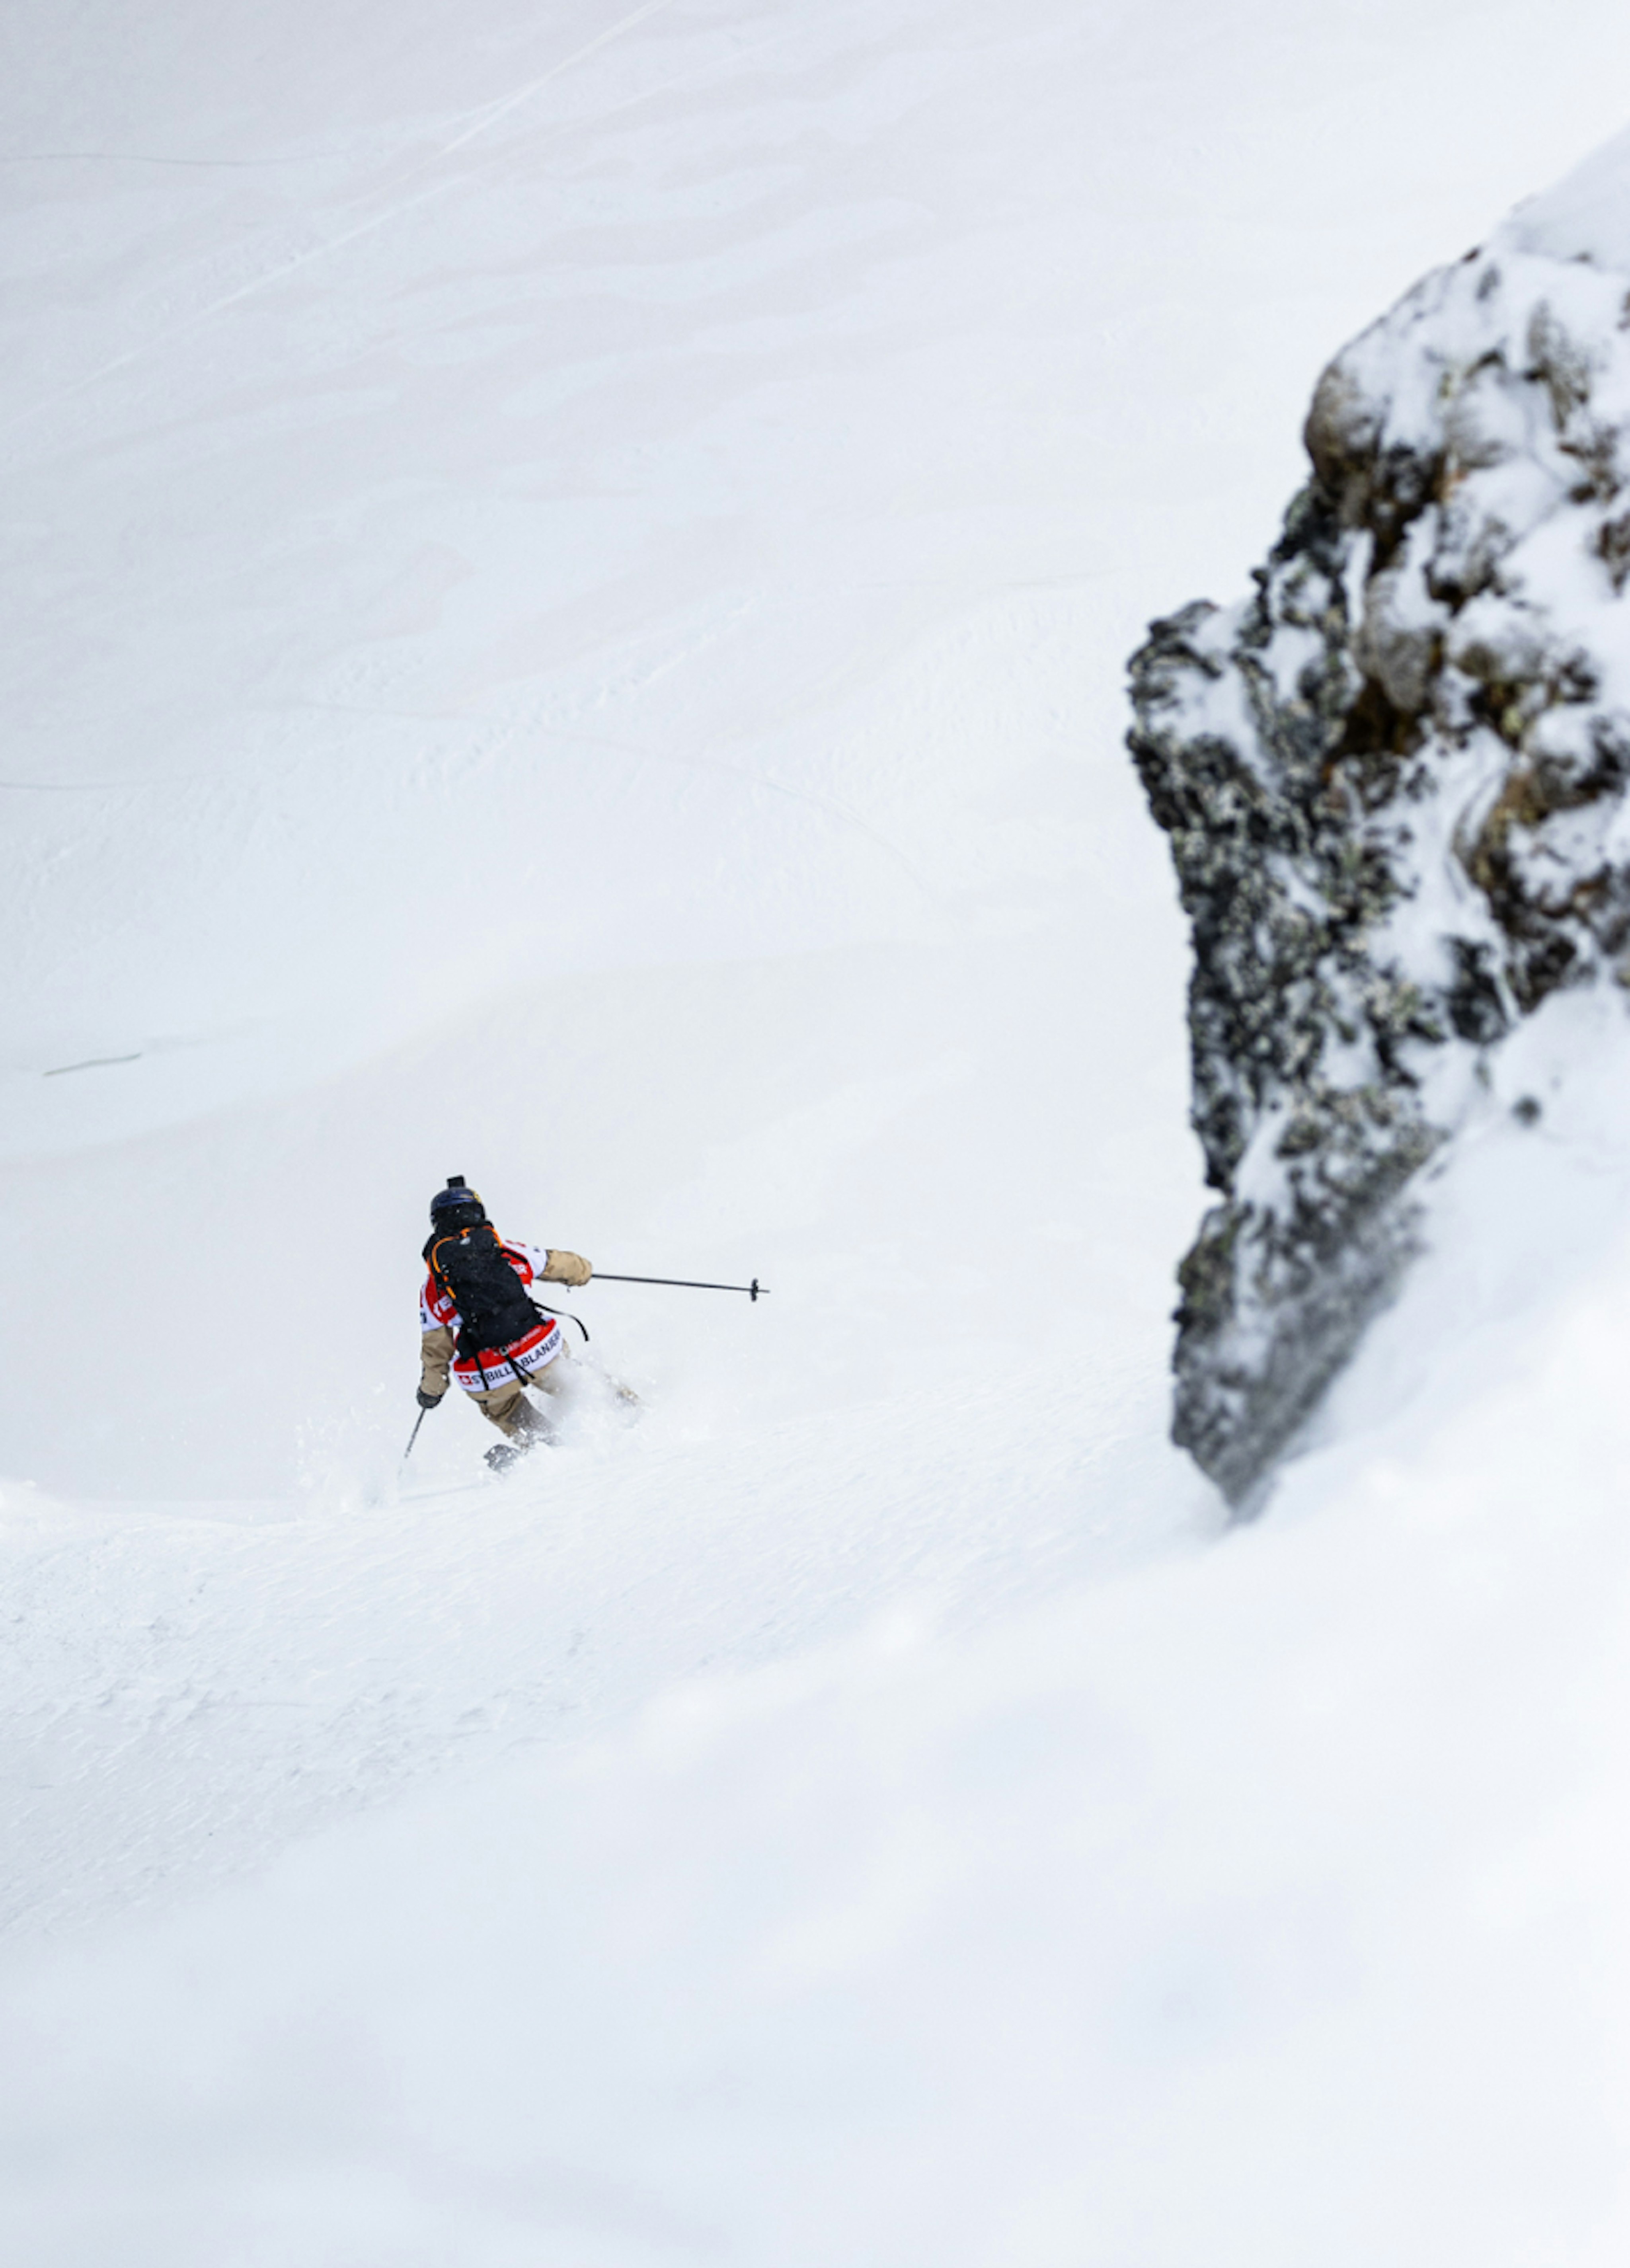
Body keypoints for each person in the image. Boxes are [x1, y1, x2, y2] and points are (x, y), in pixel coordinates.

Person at [416, 1177, 593, 1469]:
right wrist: (584, 1272)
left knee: (505, 1409)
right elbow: (558, 1263)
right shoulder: (505, 1250)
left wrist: (431, 1392)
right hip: (539, 1348)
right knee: (577, 1384)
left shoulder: (434, 1287)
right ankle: (626, 1411)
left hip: (489, 1373)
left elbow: (437, 1351)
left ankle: (548, 1448)